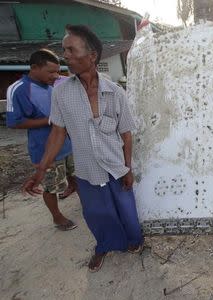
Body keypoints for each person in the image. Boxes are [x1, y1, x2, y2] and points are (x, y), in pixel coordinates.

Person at [22, 25, 143, 272]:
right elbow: (58, 132)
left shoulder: (115, 92)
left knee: (126, 209)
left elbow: (126, 134)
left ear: (92, 56)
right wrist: (41, 169)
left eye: (70, 49)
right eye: (63, 50)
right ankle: (104, 245)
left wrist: (128, 168)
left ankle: (134, 240)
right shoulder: (61, 92)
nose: (64, 55)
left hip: (116, 166)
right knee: (97, 212)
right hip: (87, 169)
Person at [6, 49, 77, 231]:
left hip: (68, 144)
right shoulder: (19, 89)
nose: (55, 75)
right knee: (52, 187)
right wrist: (48, 120)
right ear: (35, 68)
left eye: (57, 71)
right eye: (51, 72)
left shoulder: (54, 85)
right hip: (45, 150)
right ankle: (57, 217)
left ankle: (71, 188)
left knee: (76, 175)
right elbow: (14, 122)